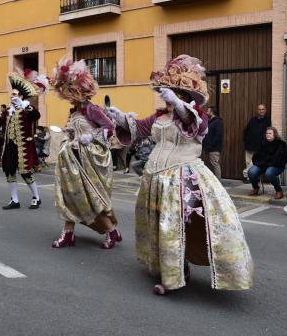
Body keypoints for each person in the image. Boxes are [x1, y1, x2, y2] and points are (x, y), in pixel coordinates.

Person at [106, 55, 252, 295]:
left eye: (175, 92)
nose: (169, 96)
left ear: (185, 95)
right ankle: (171, 269)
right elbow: (139, 129)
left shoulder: (196, 115)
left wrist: (179, 103)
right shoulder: (159, 116)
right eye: (168, 91)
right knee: (161, 225)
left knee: (175, 226)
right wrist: (119, 117)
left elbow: (193, 123)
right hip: (155, 178)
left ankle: (175, 276)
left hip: (183, 178)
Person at [50, 57, 121, 249]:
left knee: (89, 197)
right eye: (67, 93)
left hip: (88, 159)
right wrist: (70, 133)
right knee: (70, 195)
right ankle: (68, 234)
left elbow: (110, 128)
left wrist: (89, 137)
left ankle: (111, 231)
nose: (69, 97)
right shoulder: (74, 112)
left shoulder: (93, 110)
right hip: (72, 159)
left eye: (72, 92)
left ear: (81, 91)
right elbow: (74, 131)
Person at [0, 72, 44, 209]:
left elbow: (36, 115)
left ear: (21, 97)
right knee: (9, 171)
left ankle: (36, 197)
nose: (11, 96)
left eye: (14, 94)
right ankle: (15, 200)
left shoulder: (27, 108)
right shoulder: (9, 111)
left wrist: (23, 105)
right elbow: (0, 121)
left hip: (23, 146)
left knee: (25, 172)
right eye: (11, 94)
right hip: (9, 146)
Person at [247, 127, 287, 199]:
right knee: (251, 171)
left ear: (274, 134)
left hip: (276, 166)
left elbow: (284, 158)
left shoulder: (281, 144)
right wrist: (259, 163)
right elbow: (255, 157)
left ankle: (279, 190)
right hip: (262, 165)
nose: (268, 135)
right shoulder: (262, 143)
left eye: (270, 133)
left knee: (269, 173)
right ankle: (256, 188)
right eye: (267, 133)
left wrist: (269, 163)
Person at [242, 104, 271, 182]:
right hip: (249, 145)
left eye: (263, 109)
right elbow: (246, 130)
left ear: (265, 110)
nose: (261, 111)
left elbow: (269, 133)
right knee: (248, 162)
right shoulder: (253, 119)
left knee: (254, 163)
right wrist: (246, 140)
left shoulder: (268, 120)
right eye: (259, 109)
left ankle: (249, 175)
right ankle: (249, 178)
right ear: (257, 110)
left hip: (260, 147)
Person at [203, 106, 223, 180]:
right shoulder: (210, 121)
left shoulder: (217, 122)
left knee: (215, 164)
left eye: (208, 111)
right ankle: (212, 181)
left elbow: (218, 135)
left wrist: (210, 145)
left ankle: (218, 182)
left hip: (214, 148)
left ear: (212, 112)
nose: (206, 112)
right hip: (208, 148)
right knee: (210, 164)